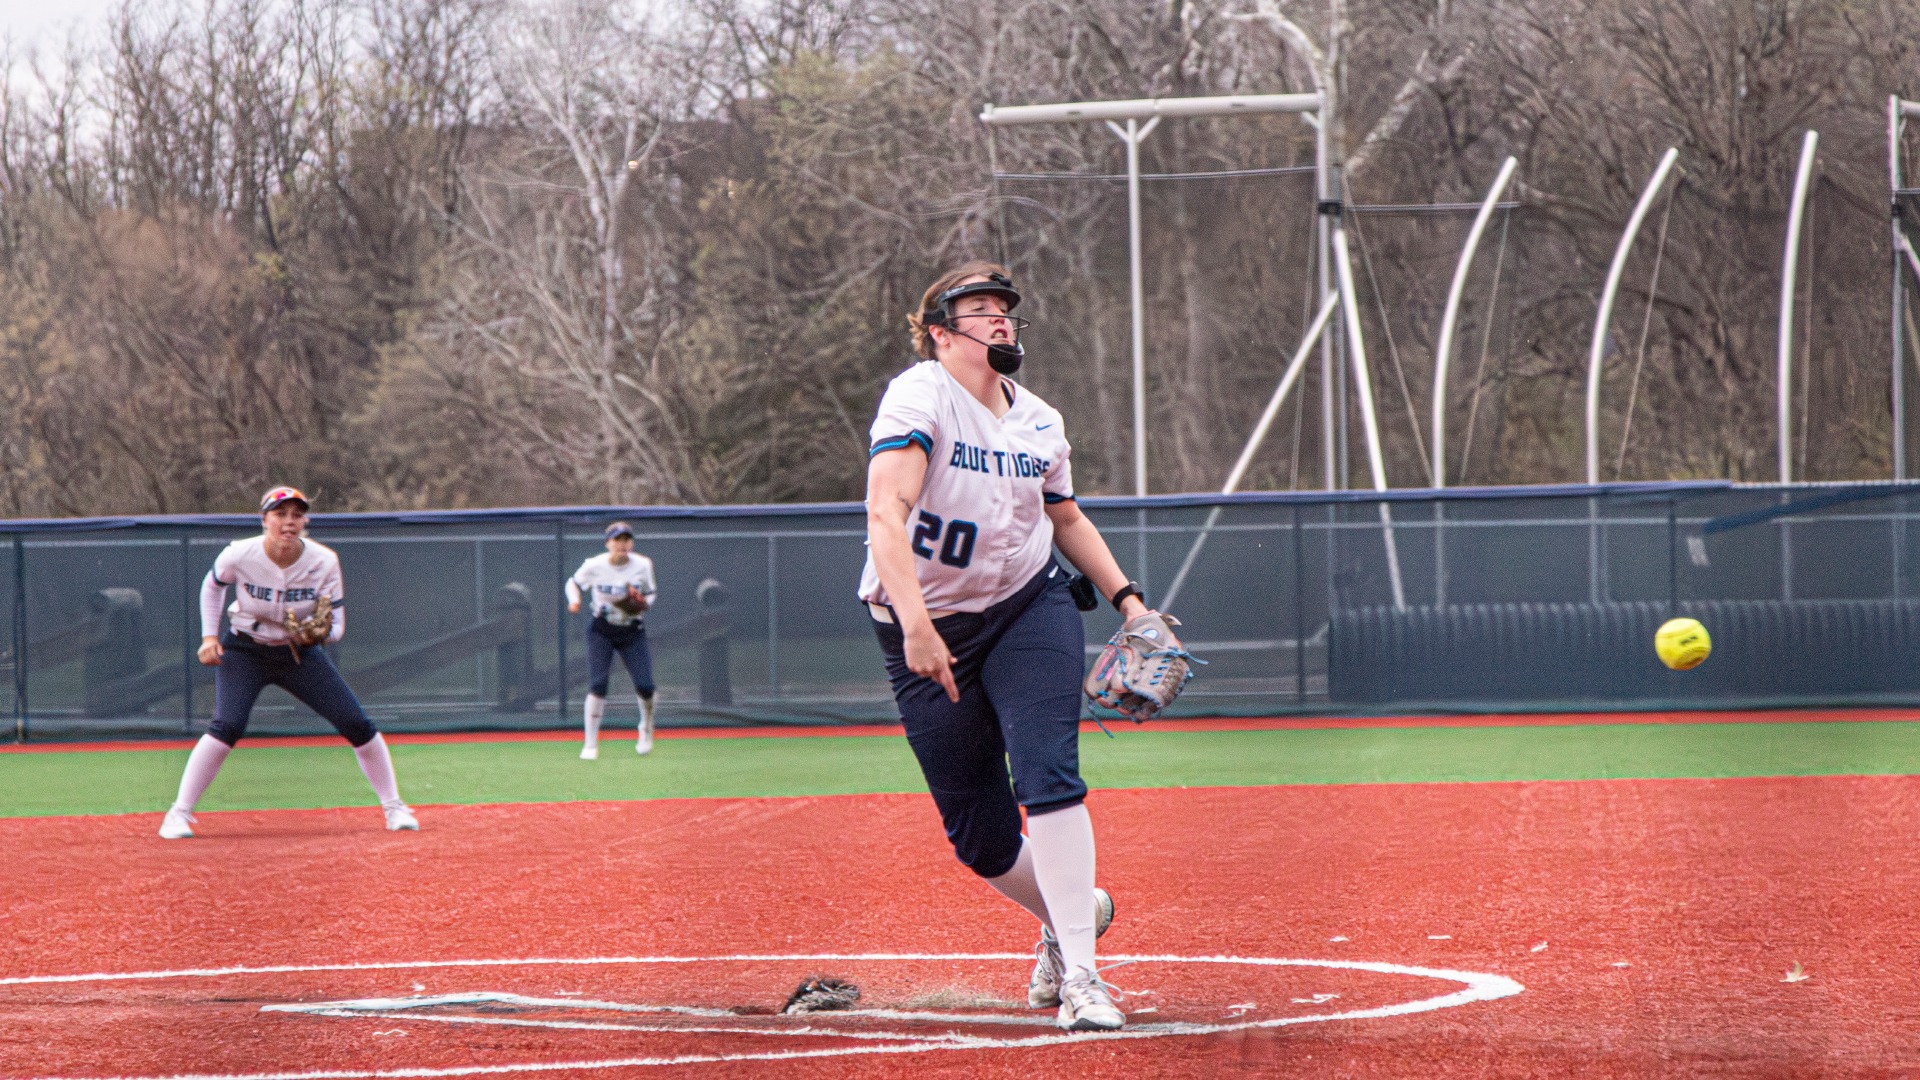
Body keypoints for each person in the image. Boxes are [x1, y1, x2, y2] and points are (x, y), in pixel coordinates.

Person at [859, 262, 1151, 1032]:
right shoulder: (922, 394)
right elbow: (885, 511)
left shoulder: (1041, 420)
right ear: (940, 334)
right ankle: (1071, 916)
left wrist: (1131, 602)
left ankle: (1084, 977)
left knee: (1049, 771)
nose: (999, 321)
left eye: (1005, 311)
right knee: (981, 840)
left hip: (1028, 608)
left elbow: (1068, 520)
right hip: (922, 627)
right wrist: (917, 624)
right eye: (979, 310)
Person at [159, 486, 418, 839]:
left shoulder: (323, 560)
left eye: (296, 515)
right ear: (264, 519)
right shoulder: (240, 553)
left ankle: (394, 807)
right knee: (227, 725)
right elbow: (212, 585)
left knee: (356, 722)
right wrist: (209, 637)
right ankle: (178, 813)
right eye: (280, 514)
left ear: (305, 521)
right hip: (246, 650)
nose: (288, 522)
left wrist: (318, 635)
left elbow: (338, 627)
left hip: (299, 654)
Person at [567, 522, 659, 758]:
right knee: (598, 684)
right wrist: (574, 600)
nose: (622, 544)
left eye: (626, 540)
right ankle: (590, 743)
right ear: (608, 543)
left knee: (646, 686)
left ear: (632, 543)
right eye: (617, 540)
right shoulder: (595, 565)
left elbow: (650, 592)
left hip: (631, 629)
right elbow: (573, 583)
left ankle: (646, 729)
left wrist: (643, 603)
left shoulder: (642, 564)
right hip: (602, 629)